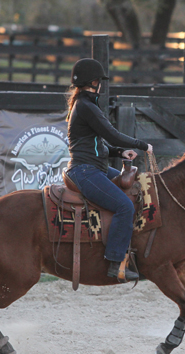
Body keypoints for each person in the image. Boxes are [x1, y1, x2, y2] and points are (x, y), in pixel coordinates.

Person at [64, 58, 153, 283]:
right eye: (100, 81)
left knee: (135, 188)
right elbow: (111, 134)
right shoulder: (86, 106)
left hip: (95, 168)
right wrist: (141, 145)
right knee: (123, 206)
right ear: (95, 82)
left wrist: (120, 153)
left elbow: (98, 143)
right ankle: (115, 262)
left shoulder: (85, 105)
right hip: (85, 172)